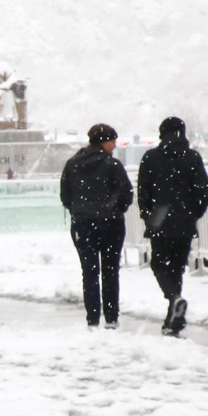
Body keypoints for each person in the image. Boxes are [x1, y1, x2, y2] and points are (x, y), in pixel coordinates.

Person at [137, 116, 208, 336]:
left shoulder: (150, 158)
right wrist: (193, 213)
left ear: (162, 133)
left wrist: (149, 215)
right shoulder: (192, 158)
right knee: (177, 268)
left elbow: (143, 192)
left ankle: (173, 300)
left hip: (159, 220)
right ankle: (174, 319)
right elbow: (204, 189)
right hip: (185, 222)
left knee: (159, 265)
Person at [60, 122, 133, 329]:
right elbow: (126, 193)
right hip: (111, 224)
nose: (114, 146)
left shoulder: (72, 164)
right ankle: (111, 318)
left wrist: (80, 211)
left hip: (83, 224)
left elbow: (65, 196)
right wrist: (115, 210)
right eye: (112, 141)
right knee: (111, 271)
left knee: (89, 272)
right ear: (103, 142)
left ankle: (92, 318)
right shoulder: (113, 165)